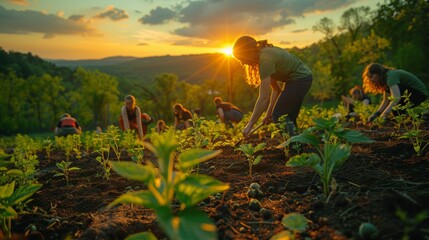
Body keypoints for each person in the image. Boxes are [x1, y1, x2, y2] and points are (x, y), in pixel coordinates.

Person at [232, 36, 313, 137]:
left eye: (241, 59)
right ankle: (297, 148)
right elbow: (276, 90)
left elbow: (263, 98)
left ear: (247, 53)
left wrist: (250, 125)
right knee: (287, 117)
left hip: (300, 80)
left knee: (279, 116)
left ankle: (294, 148)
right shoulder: (265, 54)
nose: (242, 63)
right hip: (302, 78)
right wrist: (268, 114)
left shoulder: (265, 60)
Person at [363, 63, 428, 122]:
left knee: (395, 107)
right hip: (412, 94)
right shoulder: (385, 79)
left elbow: (396, 98)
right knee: (397, 112)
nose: (371, 79)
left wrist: (383, 116)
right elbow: (386, 100)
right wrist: (376, 114)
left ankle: (419, 116)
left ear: (378, 73)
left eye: (371, 76)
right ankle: (422, 116)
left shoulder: (391, 76)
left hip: (419, 94)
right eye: (369, 77)